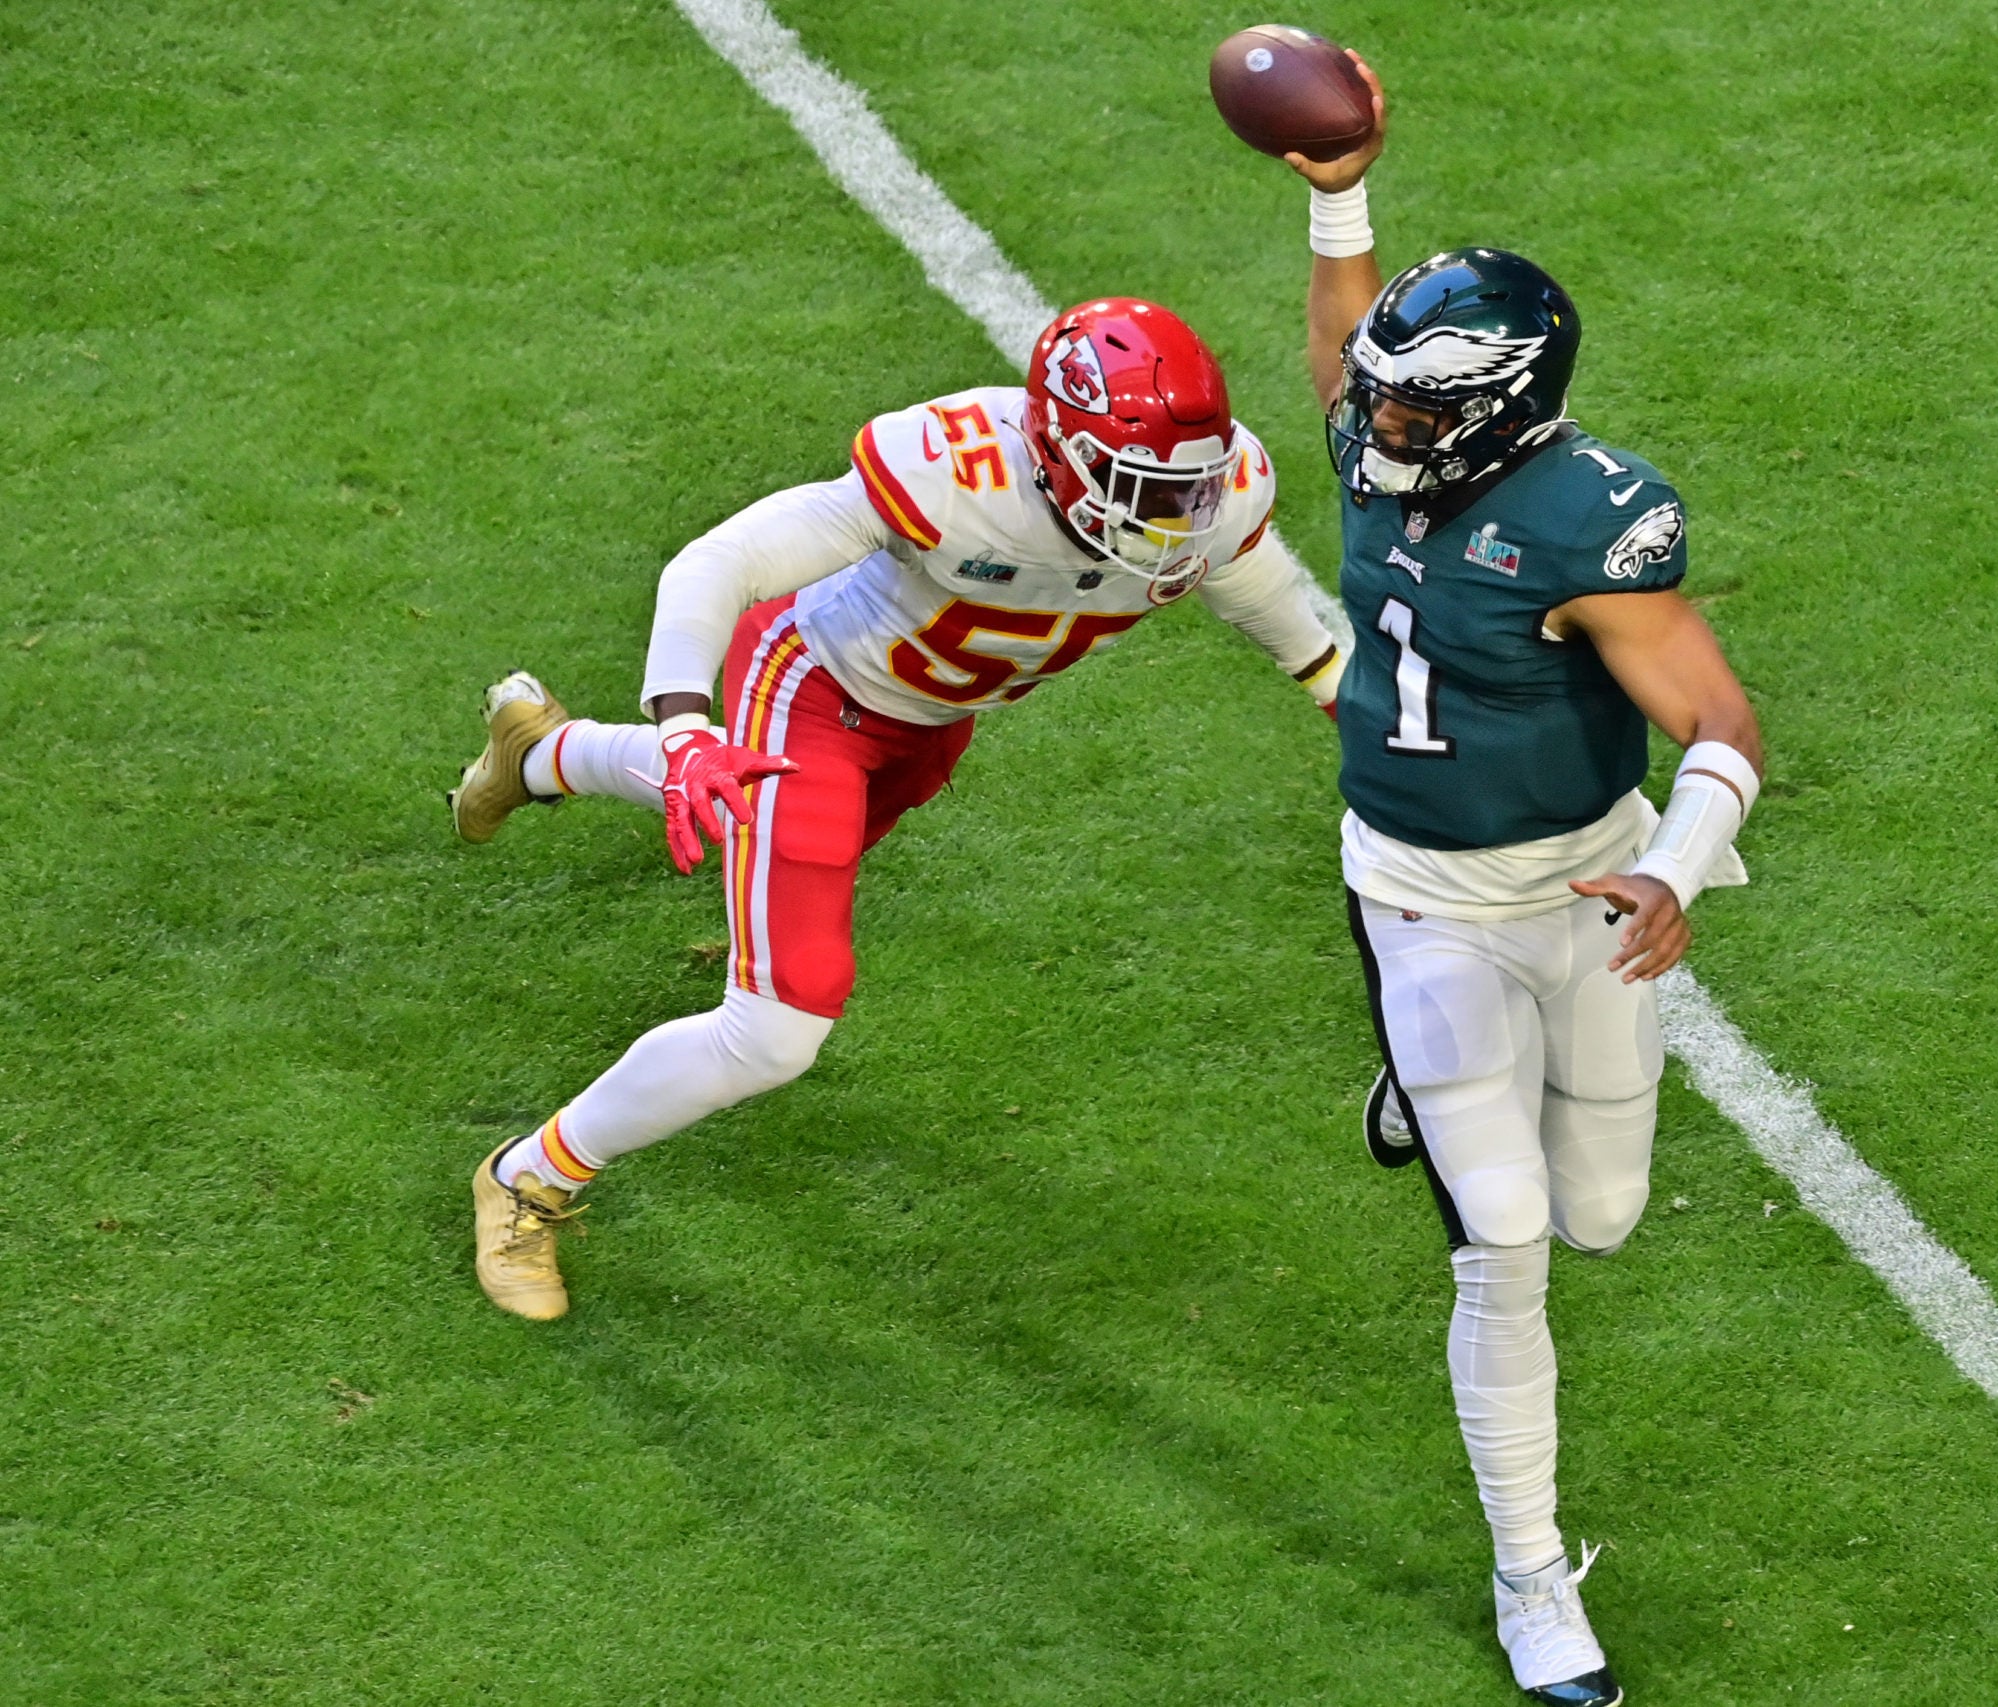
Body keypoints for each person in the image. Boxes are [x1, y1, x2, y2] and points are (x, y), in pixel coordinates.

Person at [447, 298, 1344, 1321]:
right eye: (1144, 489)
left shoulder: (1206, 497)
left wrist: (1337, 688)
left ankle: (541, 751)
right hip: (817, 692)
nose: (1172, 519)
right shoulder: (955, 471)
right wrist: (692, 722)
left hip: (929, 724)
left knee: (742, 812)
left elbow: (1249, 576)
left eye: (1190, 489)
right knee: (778, 1024)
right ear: (1053, 452)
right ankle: (528, 1177)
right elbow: (720, 563)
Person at [1271, 57, 1764, 1707]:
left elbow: (1721, 715)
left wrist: (1682, 864)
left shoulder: (1588, 522)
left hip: (1590, 886)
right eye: (1383, 399)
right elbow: (1345, 331)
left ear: (1505, 412)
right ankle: (1532, 1579)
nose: (1377, 421)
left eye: (1416, 409)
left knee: (1608, 1213)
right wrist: (1341, 183)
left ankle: (1416, 1090)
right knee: (1511, 1238)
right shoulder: (1375, 423)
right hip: (1419, 893)